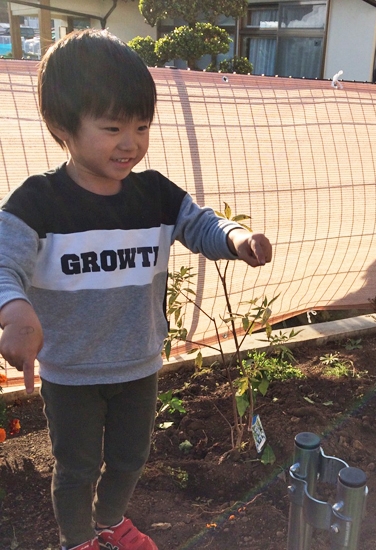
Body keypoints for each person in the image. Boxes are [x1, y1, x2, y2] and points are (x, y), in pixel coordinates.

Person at [0, 29, 272, 550]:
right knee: (77, 465)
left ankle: (109, 522)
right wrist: (15, 313)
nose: (131, 142)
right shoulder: (37, 203)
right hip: (72, 371)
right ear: (62, 125)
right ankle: (78, 539)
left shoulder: (155, 194)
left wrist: (236, 238)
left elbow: (200, 224)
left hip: (139, 363)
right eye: (112, 127)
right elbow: (4, 263)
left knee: (130, 457)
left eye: (142, 126)